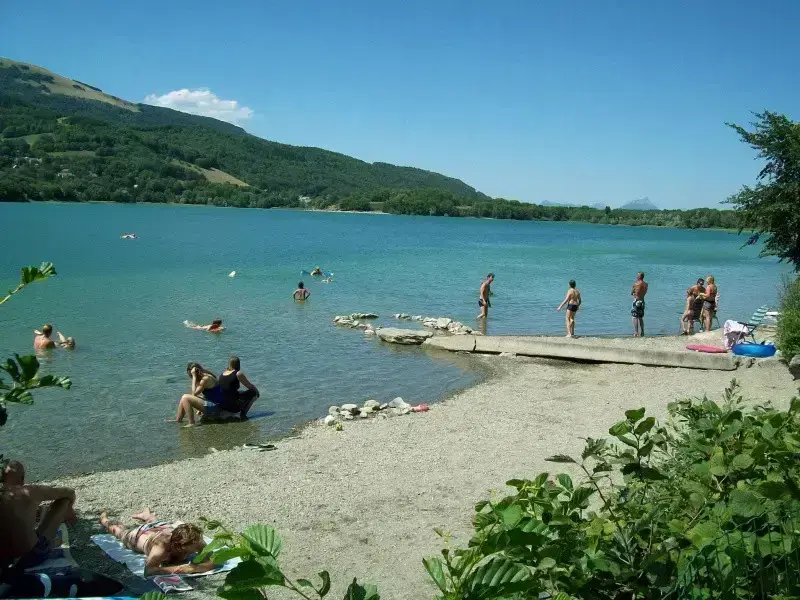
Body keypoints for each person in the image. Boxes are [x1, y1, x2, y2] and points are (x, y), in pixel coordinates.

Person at [0, 461, 76, 569]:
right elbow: (69, 492)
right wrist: (70, 509)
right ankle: (50, 543)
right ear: (22, 478)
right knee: (64, 501)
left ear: (2, 478)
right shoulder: (30, 491)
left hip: (4, 561)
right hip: (30, 557)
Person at [99, 509, 214, 576]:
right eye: (189, 550)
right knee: (120, 532)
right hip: (139, 536)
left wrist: (193, 568)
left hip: (163, 527)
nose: (195, 550)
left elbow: (213, 560)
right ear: (177, 546)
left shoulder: (194, 540)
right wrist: (181, 569)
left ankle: (146, 515)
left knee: (156, 523)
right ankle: (104, 520)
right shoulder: (161, 547)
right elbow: (149, 570)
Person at [630, 271, 648, 337]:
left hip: (636, 301)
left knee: (634, 317)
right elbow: (644, 293)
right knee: (640, 317)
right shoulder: (646, 284)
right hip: (642, 301)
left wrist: (634, 294)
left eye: (637, 275)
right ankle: (642, 332)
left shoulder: (636, 284)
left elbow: (632, 293)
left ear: (639, 277)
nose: (636, 276)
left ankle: (636, 332)